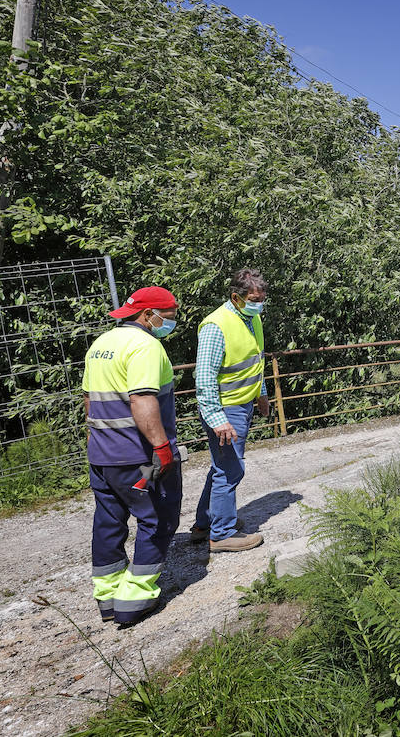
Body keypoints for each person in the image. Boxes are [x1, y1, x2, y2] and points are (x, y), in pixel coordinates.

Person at [83, 285, 182, 626]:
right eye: (167, 318)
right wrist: (162, 447)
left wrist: (94, 440)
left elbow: (88, 401)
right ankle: (133, 601)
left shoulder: (101, 345)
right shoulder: (145, 346)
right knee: (157, 519)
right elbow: (141, 399)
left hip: (102, 454)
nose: (169, 324)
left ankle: (108, 599)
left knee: (109, 522)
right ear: (147, 315)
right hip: (138, 456)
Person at [189, 268, 269, 552]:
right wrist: (217, 419)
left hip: (242, 403)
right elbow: (206, 377)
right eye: (253, 298)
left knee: (221, 467)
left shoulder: (251, 318)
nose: (259, 303)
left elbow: (255, 359)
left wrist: (261, 394)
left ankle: (204, 524)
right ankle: (222, 534)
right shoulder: (216, 325)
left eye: (261, 298)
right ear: (236, 297)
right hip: (225, 408)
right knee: (230, 470)